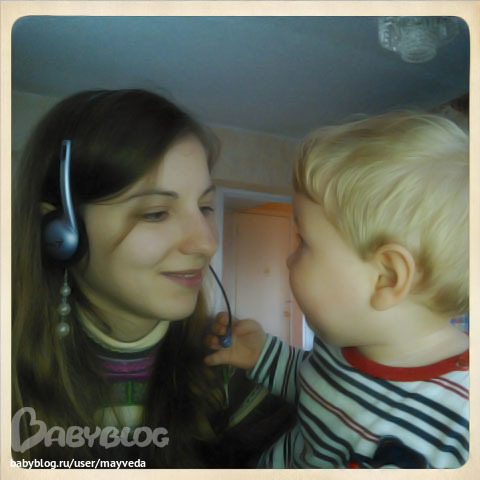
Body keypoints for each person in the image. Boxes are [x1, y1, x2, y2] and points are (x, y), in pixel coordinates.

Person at [12, 89, 295, 467]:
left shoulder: (233, 367)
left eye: (205, 207)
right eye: (156, 213)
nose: (207, 243)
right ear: (61, 232)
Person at [205, 111, 469, 469]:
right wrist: (262, 354)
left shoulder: (456, 429)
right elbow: (315, 386)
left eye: (304, 241)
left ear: (387, 277)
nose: (289, 258)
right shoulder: (344, 344)